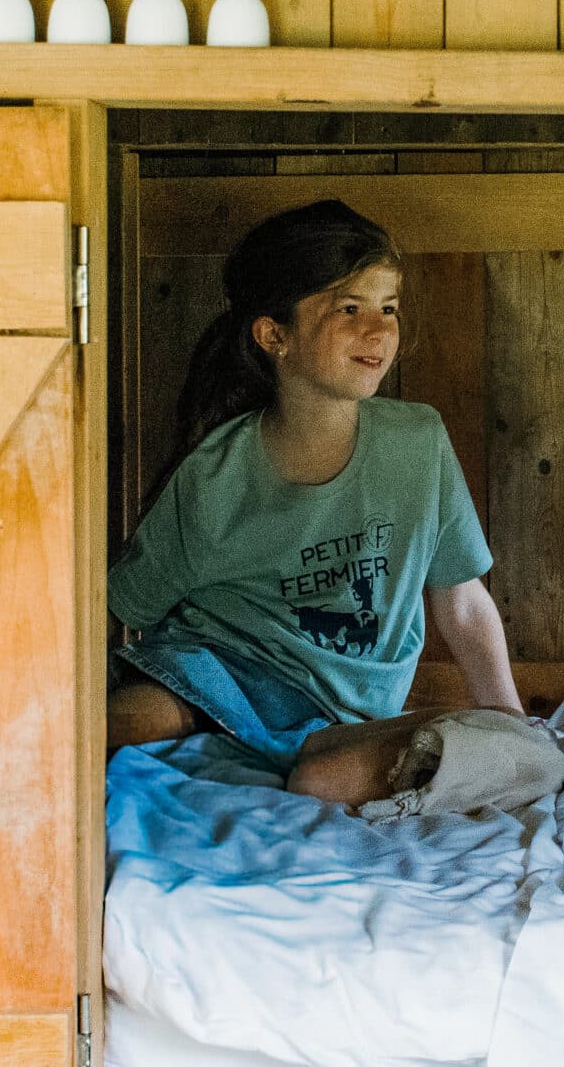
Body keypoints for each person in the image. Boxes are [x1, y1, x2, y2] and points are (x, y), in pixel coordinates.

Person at [106, 198, 522, 808]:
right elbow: (125, 604)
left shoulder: (418, 442)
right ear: (274, 335)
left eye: (388, 308)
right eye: (349, 309)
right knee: (124, 724)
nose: (378, 331)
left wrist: (510, 718)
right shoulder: (214, 474)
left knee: (321, 781)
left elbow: (460, 601)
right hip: (217, 675)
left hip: (346, 717)